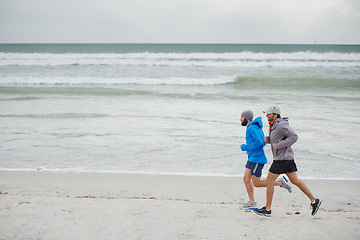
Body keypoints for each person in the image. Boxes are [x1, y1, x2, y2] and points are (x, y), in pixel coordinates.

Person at [254, 106, 322, 217]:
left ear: (275, 115)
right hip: (286, 158)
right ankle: (314, 201)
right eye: (266, 114)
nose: (266, 115)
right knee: (295, 181)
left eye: (269, 114)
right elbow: (279, 139)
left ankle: (268, 209)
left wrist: (278, 145)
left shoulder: (281, 125)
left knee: (269, 181)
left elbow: (294, 137)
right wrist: (269, 140)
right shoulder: (274, 125)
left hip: (282, 159)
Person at [239, 110, 292, 210]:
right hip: (252, 158)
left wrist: (246, 147)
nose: (240, 119)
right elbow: (263, 142)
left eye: (242, 117)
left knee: (257, 183)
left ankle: (280, 183)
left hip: (257, 160)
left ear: (247, 118)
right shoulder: (254, 127)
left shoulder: (251, 128)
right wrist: (250, 150)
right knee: (246, 179)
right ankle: (252, 203)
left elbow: (259, 142)